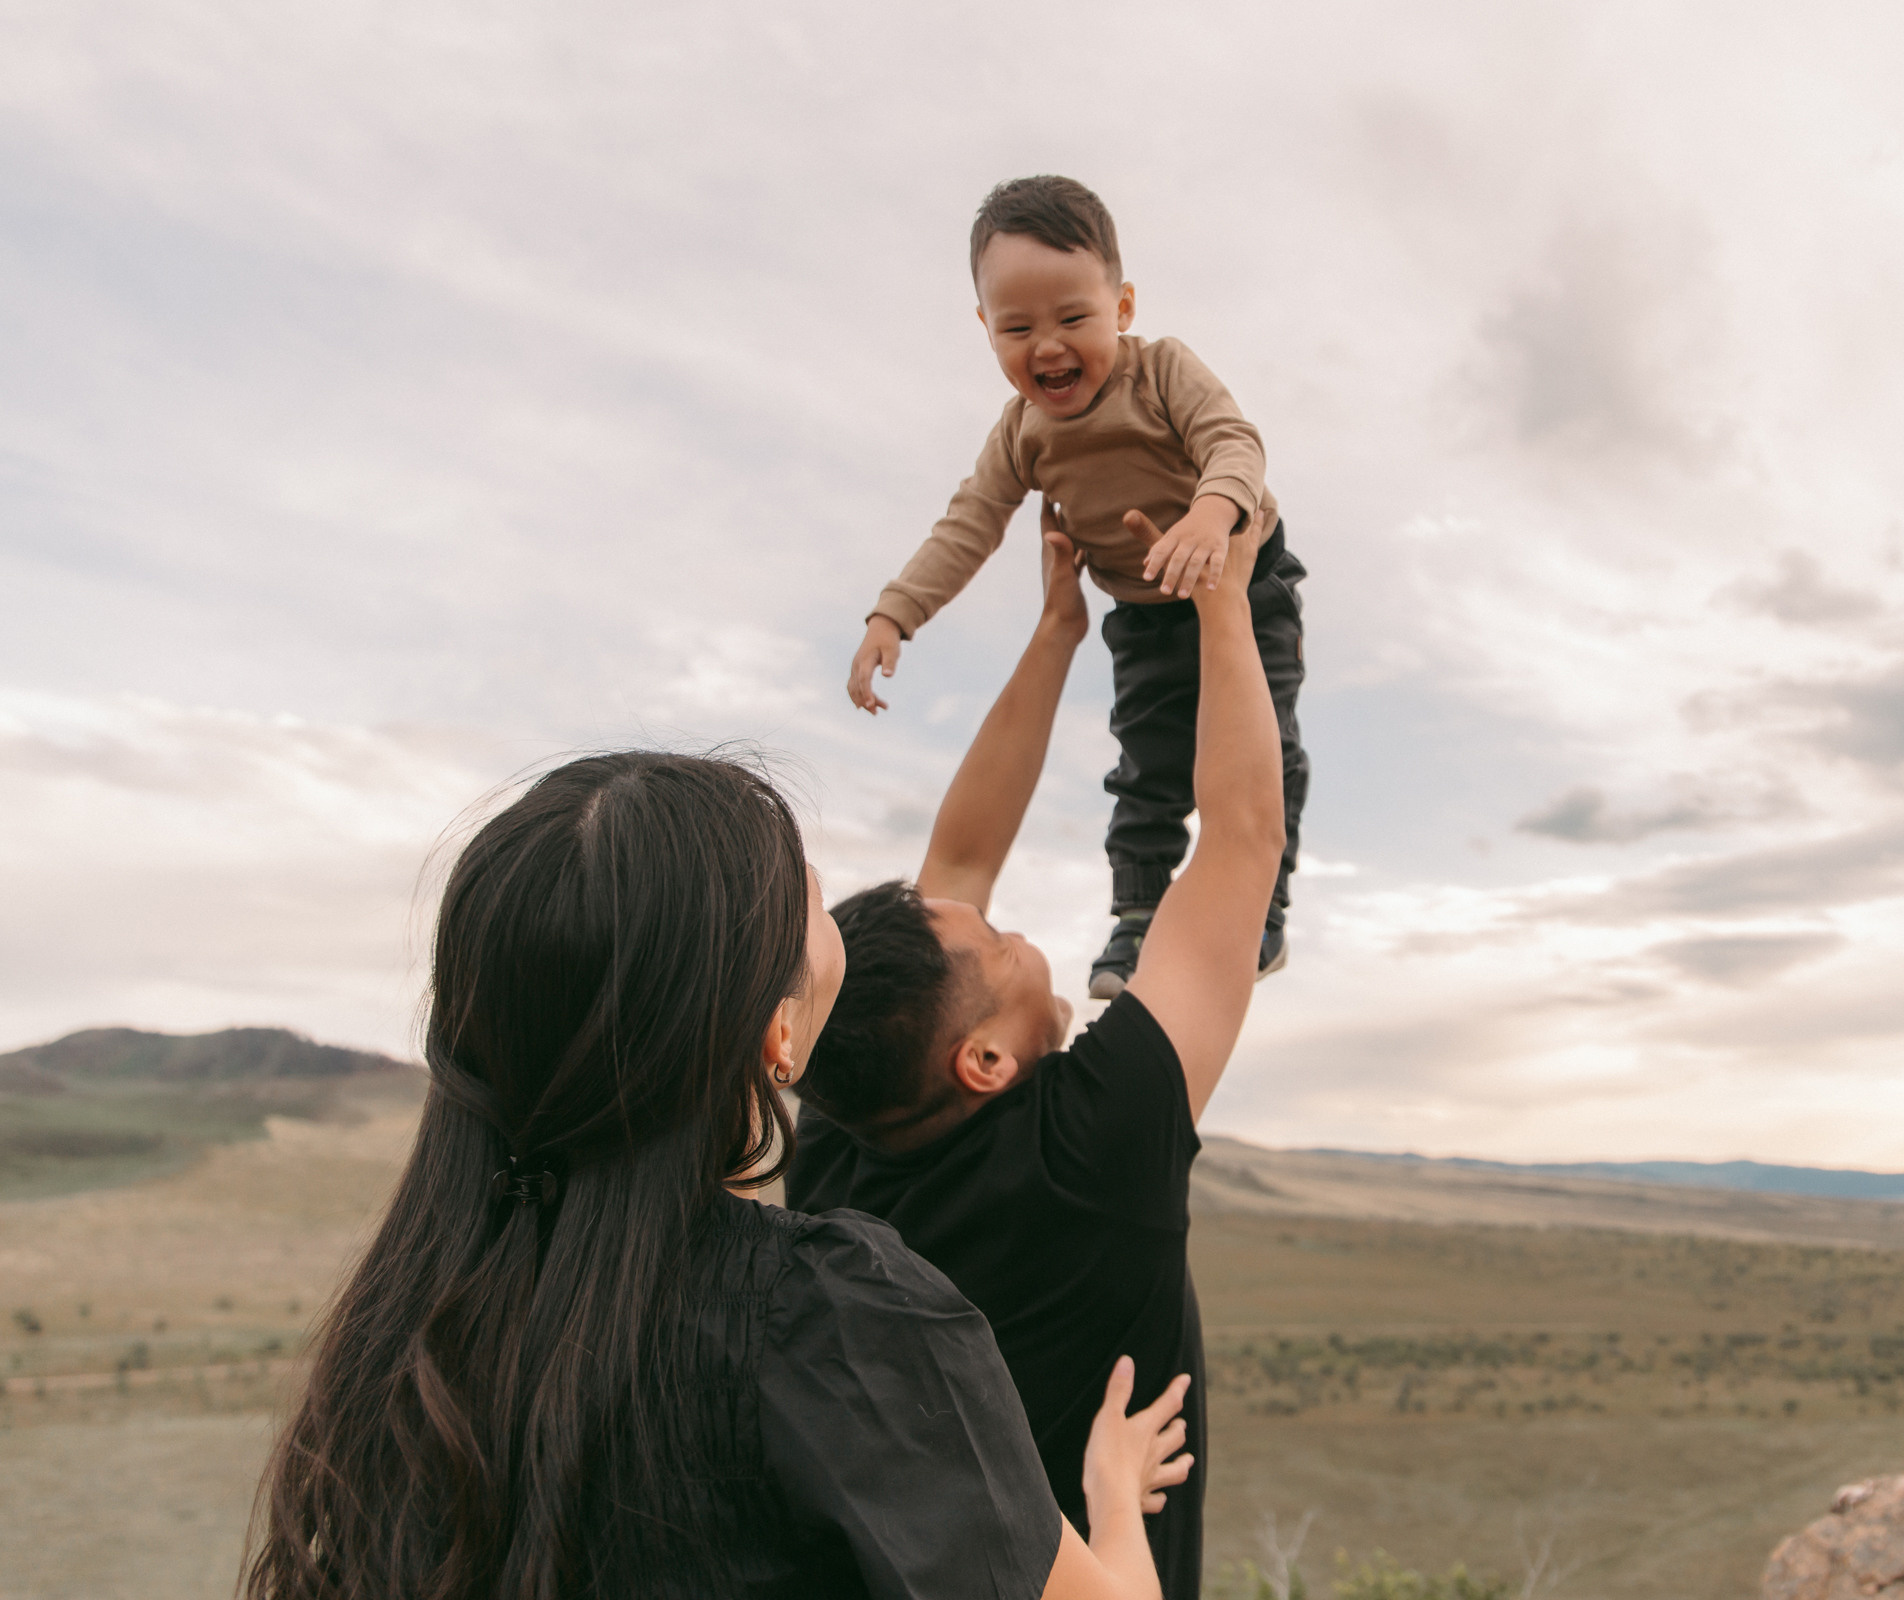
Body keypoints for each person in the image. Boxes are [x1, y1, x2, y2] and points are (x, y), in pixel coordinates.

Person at [243, 750, 1191, 1600]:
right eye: (809, 903)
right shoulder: (832, 1321)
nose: (832, 908)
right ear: (780, 1034)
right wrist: (1108, 1500)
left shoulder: (404, 1334)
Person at [792, 514, 1285, 1600]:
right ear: (982, 1062)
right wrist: (1222, 597)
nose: (1017, 932)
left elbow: (961, 855)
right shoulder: (1092, 1148)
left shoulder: (838, 1152)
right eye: (997, 945)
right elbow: (1243, 834)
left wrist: (1060, 628)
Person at [843, 173, 1309, 998]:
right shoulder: (1022, 434)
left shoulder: (1162, 372)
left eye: (1073, 319)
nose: (1048, 346)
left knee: (1268, 753)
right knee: (1146, 764)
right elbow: (970, 522)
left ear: (1122, 307)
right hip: (1144, 615)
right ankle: (1136, 920)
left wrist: (1209, 516)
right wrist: (895, 613)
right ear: (986, 328)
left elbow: (1233, 441)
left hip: (1244, 583)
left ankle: (1261, 912)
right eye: (1018, 327)